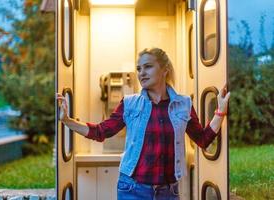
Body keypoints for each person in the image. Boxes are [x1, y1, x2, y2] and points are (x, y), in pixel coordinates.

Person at [56, 47, 230, 200]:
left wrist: (220, 111)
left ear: (165, 69)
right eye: (139, 69)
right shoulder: (130, 103)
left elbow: (203, 139)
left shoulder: (183, 104)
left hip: (169, 192)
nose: (141, 73)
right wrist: (67, 121)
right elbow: (101, 131)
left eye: (148, 67)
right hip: (132, 189)